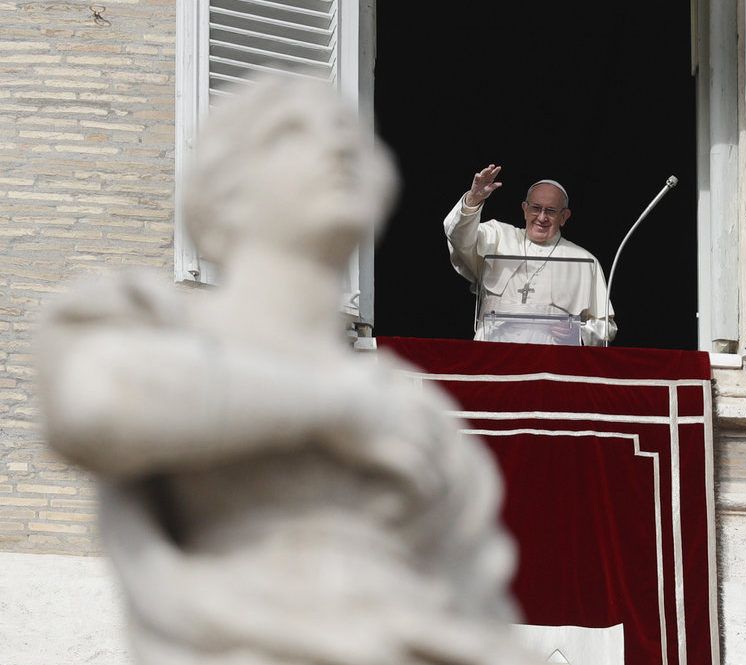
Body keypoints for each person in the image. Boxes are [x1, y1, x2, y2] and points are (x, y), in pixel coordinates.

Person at [36, 78, 538, 665]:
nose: (338, 148)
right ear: (224, 190)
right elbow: (96, 403)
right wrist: (337, 406)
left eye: (347, 135)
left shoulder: (419, 410)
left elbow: (479, 602)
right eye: (290, 132)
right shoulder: (147, 321)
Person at [444, 164, 616, 346]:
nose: (542, 217)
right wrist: (473, 199)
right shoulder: (497, 237)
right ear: (525, 209)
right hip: (493, 358)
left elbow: (606, 328)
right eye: (536, 208)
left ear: (564, 216)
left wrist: (580, 331)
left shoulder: (585, 261)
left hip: (551, 364)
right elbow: (457, 236)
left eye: (550, 211)